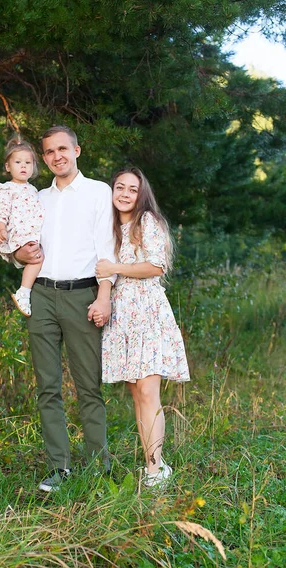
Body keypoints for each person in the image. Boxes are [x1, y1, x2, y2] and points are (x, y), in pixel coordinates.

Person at [14, 125, 116, 492]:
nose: (57, 156)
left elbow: (108, 250)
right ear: (44, 158)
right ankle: (60, 467)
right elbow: (22, 246)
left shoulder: (98, 193)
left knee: (88, 385)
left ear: (77, 150)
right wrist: (16, 254)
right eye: (49, 152)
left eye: (63, 149)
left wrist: (104, 295)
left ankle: (97, 466)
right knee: (48, 387)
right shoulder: (36, 198)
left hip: (83, 296)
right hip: (41, 296)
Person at [95, 167, 190, 488]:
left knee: (149, 392)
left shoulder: (147, 221)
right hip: (123, 317)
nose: (124, 193)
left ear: (141, 195)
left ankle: (156, 470)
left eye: (132, 189)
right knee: (137, 395)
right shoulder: (109, 228)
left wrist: (115, 267)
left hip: (147, 312)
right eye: (119, 187)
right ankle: (152, 464)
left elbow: (156, 266)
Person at [0, 135, 45, 316]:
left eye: (28, 163)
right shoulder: (7, 188)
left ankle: (26, 290)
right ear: (8, 166)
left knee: (38, 258)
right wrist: (1, 229)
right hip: (20, 232)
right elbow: (1, 210)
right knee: (37, 259)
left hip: (32, 233)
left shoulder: (33, 190)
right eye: (18, 162)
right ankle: (24, 292)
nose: (23, 166)